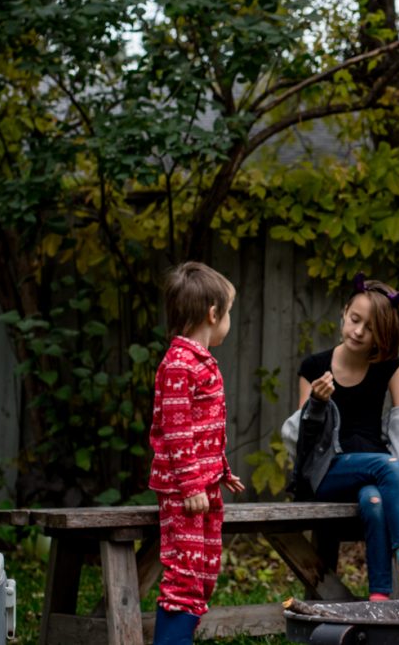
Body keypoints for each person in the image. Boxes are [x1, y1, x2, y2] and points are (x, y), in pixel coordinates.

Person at [294, 273, 399, 602]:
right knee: (387, 466)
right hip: (325, 471)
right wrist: (317, 403)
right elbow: (303, 441)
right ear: (345, 312)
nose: (358, 331)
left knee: (374, 503)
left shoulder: (386, 367)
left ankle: (380, 601)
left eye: (370, 327)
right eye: (355, 319)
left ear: (382, 335)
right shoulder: (314, 366)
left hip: (370, 469)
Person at [149, 262, 246, 645]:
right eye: (230, 312)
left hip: (205, 489)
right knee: (184, 574)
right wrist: (190, 484)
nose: (229, 321)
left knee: (205, 573)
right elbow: (176, 431)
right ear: (213, 313)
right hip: (185, 493)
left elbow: (205, 429)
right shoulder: (178, 365)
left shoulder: (200, 362)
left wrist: (220, 470)